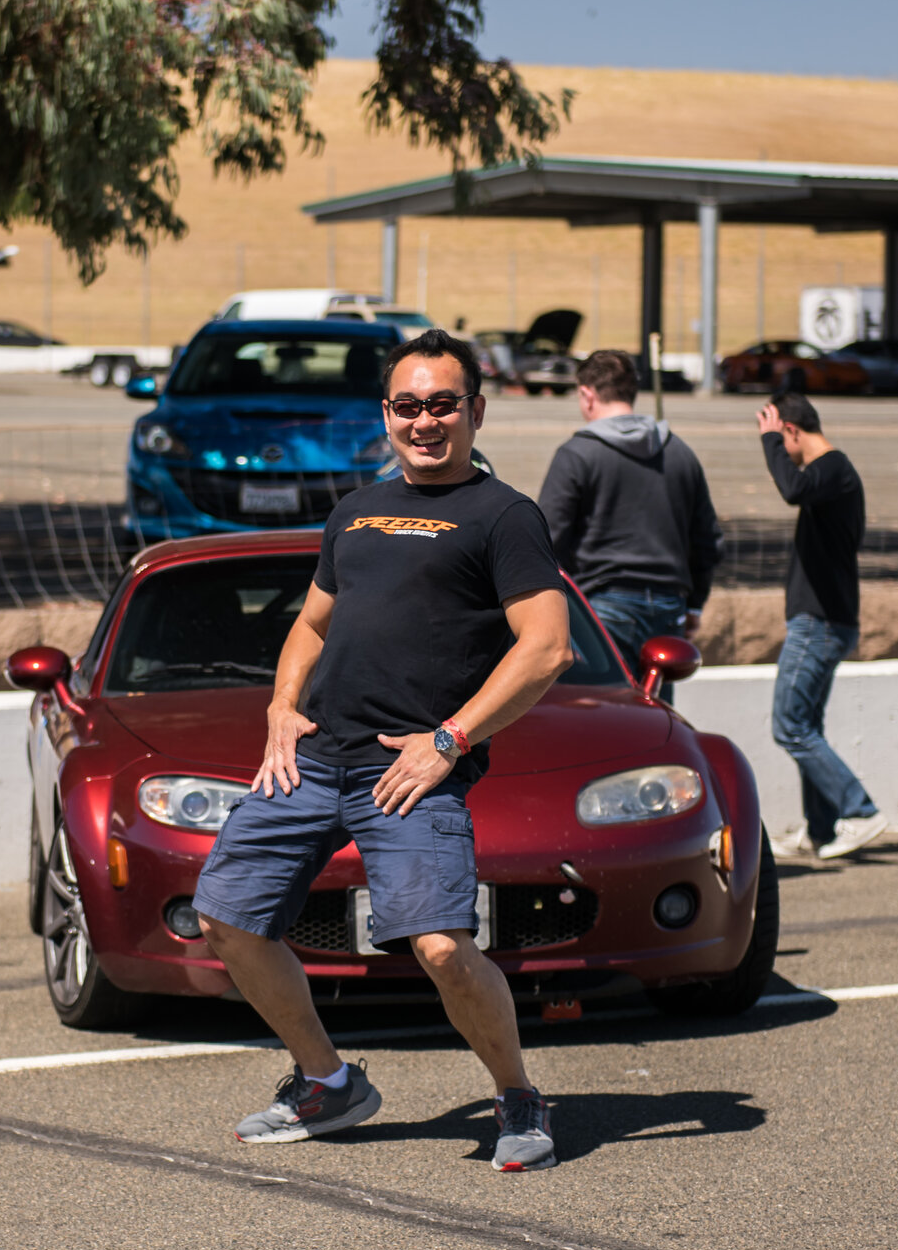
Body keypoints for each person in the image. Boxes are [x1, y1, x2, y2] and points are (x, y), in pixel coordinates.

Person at [193, 329, 575, 1171]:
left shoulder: (504, 515)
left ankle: (518, 1093)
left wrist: (450, 740)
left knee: (441, 945)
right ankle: (328, 1081)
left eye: (443, 403)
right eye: (409, 405)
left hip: (406, 767)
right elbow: (310, 623)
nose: (425, 420)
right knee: (226, 918)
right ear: (386, 414)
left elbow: (547, 647)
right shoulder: (355, 509)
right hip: (312, 756)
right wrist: (280, 706)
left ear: (475, 410)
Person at [537, 348, 721, 702]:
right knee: (654, 718)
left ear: (588, 394)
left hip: (600, 607)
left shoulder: (577, 455)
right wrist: (694, 605)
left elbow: (548, 540)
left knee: (602, 717)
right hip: (670, 608)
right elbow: (707, 540)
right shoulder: (680, 453)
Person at [757, 392, 887, 860]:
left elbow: (791, 487)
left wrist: (769, 442)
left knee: (789, 726)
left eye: (779, 436)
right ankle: (821, 830)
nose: (776, 448)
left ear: (791, 429)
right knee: (806, 724)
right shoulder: (831, 476)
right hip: (822, 620)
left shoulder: (832, 468)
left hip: (819, 623)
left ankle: (861, 810)